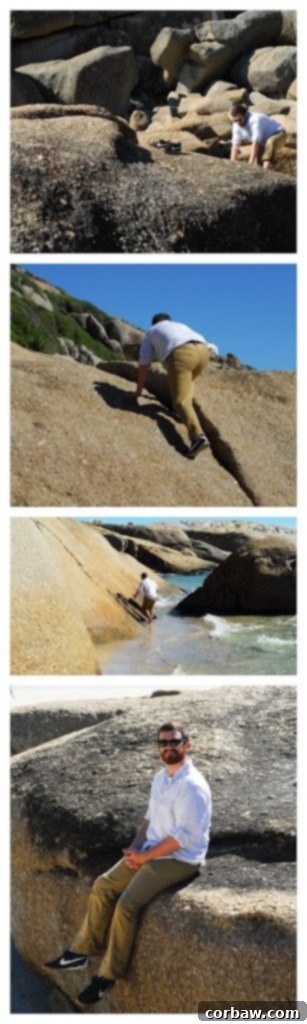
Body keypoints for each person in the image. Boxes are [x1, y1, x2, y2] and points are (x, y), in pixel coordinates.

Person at [45, 721, 212, 1007]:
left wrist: (146, 858)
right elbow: (148, 818)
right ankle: (80, 952)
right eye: (163, 743)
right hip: (149, 850)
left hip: (179, 858)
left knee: (127, 905)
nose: (168, 747)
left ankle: (107, 976)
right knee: (103, 885)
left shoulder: (193, 786)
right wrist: (136, 847)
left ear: (187, 745)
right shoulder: (162, 778)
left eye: (174, 742)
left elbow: (182, 838)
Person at [136, 313, 218, 459]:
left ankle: (198, 437)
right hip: (203, 351)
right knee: (187, 385)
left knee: (181, 400)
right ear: (168, 321)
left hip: (181, 353)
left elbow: (144, 364)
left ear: (153, 323)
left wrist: (138, 392)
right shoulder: (180, 325)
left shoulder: (151, 332)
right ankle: (182, 414)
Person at [230, 101, 286, 169]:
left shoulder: (255, 120)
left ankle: (268, 163)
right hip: (262, 141)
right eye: (235, 121)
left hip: (278, 134)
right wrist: (232, 165)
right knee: (260, 165)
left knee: (268, 152)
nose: (238, 123)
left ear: (245, 114)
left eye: (240, 120)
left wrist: (250, 165)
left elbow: (255, 143)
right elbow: (235, 145)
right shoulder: (236, 124)